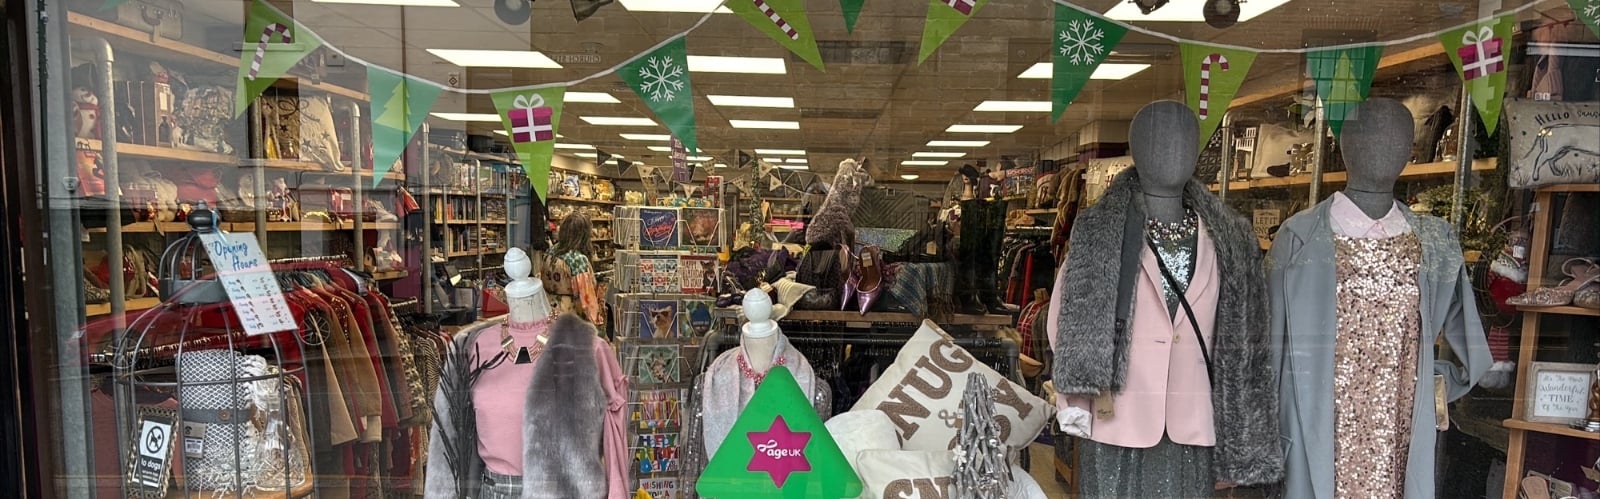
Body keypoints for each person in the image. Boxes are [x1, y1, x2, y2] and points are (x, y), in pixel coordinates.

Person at [543, 213, 604, 324]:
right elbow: (587, 302)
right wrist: (599, 329)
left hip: (548, 311)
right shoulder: (577, 260)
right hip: (571, 317)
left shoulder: (550, 251)